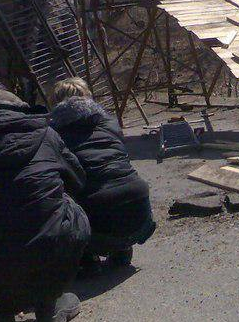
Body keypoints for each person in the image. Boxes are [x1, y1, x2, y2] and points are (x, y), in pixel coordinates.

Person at [0, 87, 90, 322]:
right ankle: (47, 305)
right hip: (47, 250)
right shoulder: (47, 134)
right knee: (64, 204)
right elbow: (78, 180)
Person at [50, 78, 156, 272]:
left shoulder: (54, 133)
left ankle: (86, 256)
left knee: (59, 191)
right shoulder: (109, 123)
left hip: (99, 214)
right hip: (140, 211)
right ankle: (122, 246)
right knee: (114, 177)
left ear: (56, 103)